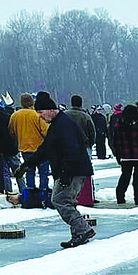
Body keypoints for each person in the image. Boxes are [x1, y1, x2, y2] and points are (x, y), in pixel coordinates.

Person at [32, 92, 94, 248]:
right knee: (65, 200)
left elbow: (72, 151)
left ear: (51, 109)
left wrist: (66, 175)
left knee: (60, 200)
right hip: (71, 170)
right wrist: (28, 163)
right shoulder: (57, 125)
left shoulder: (63, 125)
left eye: (40, 112)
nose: (39, 116)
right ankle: (79, 232)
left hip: (73, 171)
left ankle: (82, 230)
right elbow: (46, 149)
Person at [8, 92, 51, 206]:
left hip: (25, 148)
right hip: (40, 149)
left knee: (29, 172)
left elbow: (11, 132)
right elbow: (45, 131)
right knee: (43, 173)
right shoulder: (37, 115)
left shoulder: (15, 116)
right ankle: (43, 195)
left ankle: (31, 195)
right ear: (32, 102)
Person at [111, 101, 138, 204]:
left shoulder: (119, 127)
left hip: (125, 156)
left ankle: (120, 196)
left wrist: (117, 155)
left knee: (125, 176)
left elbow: (116, 142)